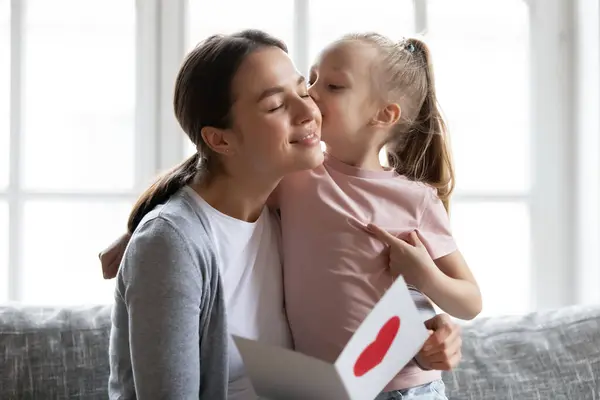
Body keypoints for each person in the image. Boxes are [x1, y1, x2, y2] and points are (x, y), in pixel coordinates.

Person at [101, 30, 464, 400]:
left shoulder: (293, 212)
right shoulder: (173, 243)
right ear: (220, 140)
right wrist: (148, 236)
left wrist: (427, 333)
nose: (311, 109)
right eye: (276, 105)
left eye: (303, 90)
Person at [273, 33, 482, 399]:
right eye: (313, 79)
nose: (313, 93)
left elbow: (470, 301)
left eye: (334, 86)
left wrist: (424, 275)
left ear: (384, 114)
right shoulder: (294, 177)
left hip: (409, 389)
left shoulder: (415, 200)